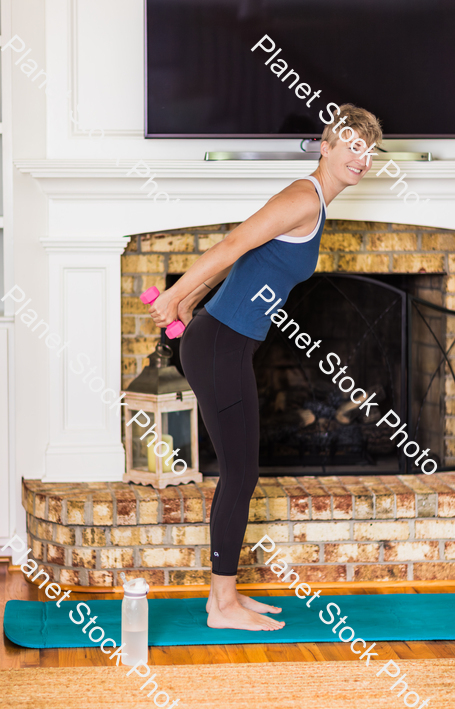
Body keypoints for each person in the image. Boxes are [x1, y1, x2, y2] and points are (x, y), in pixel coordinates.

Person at [149, 104, 383, 631]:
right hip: (218, 347)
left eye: (368, 148)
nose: (361, 156)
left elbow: (247, 259)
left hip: (225, 343)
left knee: (242, 472)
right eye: (351, 143)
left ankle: (226, 597)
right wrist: (177, 293)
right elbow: (235, 241)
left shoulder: (316, 204)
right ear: (326, 145)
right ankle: (221, 605)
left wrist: (195, 297)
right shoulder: (302, 196)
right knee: (240, 474)